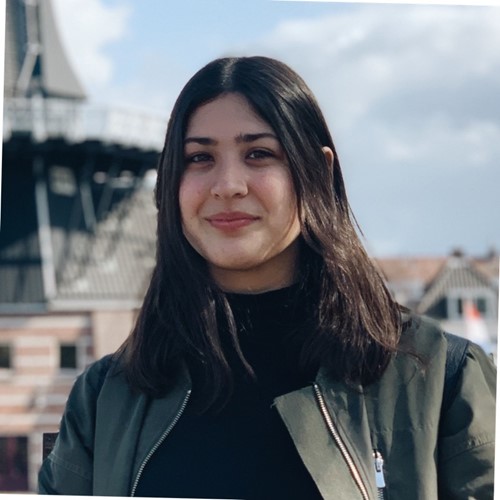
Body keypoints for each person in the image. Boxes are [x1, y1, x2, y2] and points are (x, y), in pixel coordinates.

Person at [38, 56, 495, 499]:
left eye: (259, 154)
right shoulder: (105, 399)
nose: (227, 185)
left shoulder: (442, 379)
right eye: (199, 157)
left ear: (319, 171)